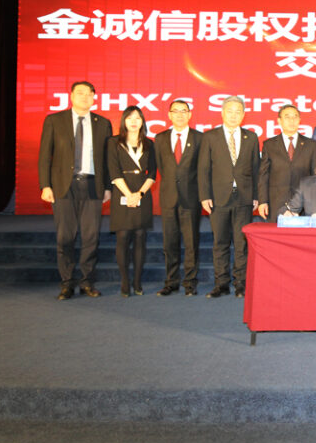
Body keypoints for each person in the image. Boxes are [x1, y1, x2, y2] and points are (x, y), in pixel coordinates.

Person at [38, 80, 112, 300]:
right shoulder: (54, 120)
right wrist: (45, 185)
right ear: (71, 96)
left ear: (94, 98)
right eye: (80, 93)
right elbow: (45, 156)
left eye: (89, 94)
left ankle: (87, 282)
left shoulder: (103, 123)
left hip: (92, 185)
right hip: (64, 185)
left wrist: (108, 187)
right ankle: (67, 283)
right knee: (65, 237)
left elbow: (108, 159)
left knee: (91, 237)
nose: (85, 97)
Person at [198, 96, 260, 298]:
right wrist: (205, 196)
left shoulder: (251, 137)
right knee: (220, 243)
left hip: (244, 198)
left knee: (241, 244)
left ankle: (240, 284)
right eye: (230, 111)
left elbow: (256, 169)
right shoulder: (210, 137)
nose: (234, 115)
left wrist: (256, 196)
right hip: (218, 198)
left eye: (238, 112)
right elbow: (203, 169)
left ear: (243, 115)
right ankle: (221, 284)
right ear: (222, 113)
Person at [154, 99, 203, 297]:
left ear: (190, 114)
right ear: (169, 115)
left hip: (191, 198)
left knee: (191, 244)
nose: (180, 115)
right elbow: (161, 167)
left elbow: (202, 169)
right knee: (170, 243)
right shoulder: (160, 138)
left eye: (184, 111)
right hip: (168, 198)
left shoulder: (200, 138)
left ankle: (190, 283)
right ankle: (171, 282)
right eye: (176, 111)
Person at [108, 106, 156, 297]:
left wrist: (140, 194)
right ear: (124, 121)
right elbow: (113, 171)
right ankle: (125, 282)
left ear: (143, 121)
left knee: (140, 237)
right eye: (130, 118)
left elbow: (152, 173)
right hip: (122, 191)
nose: (134, 121)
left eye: (137, 118)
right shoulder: (114, 142)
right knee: (122, 236)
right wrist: (129, 194)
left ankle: (137, 282)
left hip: (142, 193)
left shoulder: (150, 143)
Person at [258, 105, 316, 222]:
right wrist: (262, 201)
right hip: (276, 202)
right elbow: (263, 175)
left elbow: (315, 176)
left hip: (303, 203)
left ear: (299, 120)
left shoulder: (311, 145)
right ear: (279, 121)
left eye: (295, 117)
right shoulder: (269, 145)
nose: (292, 120)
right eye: (287, 117)